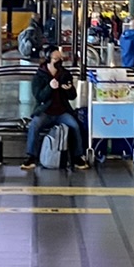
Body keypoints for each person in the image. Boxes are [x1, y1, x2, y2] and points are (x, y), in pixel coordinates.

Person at [26, 43, 85, 172]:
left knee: (75, 126)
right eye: (56, 59)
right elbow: (39, 96)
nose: (59, 62)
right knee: (34, 125)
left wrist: (69, 89)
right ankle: (31, 156)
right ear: (48, 59)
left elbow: (72, 96)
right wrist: (50, 88)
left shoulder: (65, 74)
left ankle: (77, 157)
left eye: (60, 59)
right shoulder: (39, 76)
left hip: (62, 111)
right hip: (45, 111)